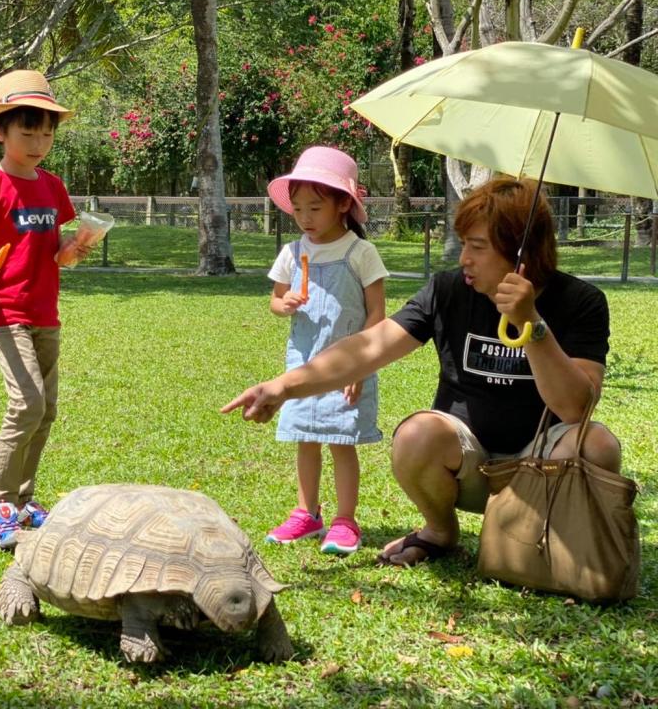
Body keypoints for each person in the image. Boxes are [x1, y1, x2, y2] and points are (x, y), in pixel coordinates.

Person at [223, 178, 621, 567]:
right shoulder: (448, 291)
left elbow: (575, 409)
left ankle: (543, 534)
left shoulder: (581, 302)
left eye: (478, 247)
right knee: (416, 434)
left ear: (523, 254)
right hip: (468, 467)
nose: (464, 258)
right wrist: (281, 387)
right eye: (464, 243)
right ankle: (440, 531)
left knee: (598, 446)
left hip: (541, 469)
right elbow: (369, 348)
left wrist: (531, 323)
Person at [0, 69, 89, 549]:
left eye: (47, 131)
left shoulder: (53, 187)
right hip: (3, 309)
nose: (39, 141)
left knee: (47, 408)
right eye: (27, 131)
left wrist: (76, 248)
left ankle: (26, 499)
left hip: (45, 310)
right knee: (27, 402)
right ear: (0, 130)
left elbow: (59, 252)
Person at [262, 146, 387, 555]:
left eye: (315, 207)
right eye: (298, 208)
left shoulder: (360, 253)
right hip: (302, 362)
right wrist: (286, 305)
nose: (304, 217)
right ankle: (306, 513)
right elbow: (275, 301)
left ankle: (345, 520)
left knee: (341, 441)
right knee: (305, 437)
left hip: (349, 366)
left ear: (343, 205)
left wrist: (358, 368)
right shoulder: (293, 251)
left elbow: (378, 315)